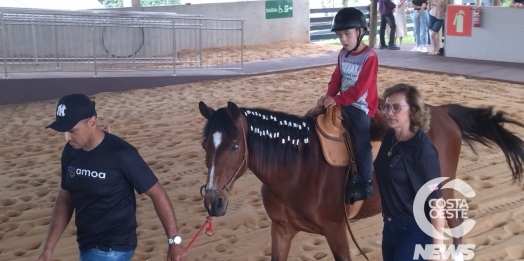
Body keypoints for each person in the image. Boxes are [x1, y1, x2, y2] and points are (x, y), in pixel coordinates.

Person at [36, 93, 188, 261]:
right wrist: (48, 248)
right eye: (63, 131)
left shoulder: (122, 154)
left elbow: (157, 193)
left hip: (114, 248)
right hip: (86, 245)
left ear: (92, 122)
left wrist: (174, 242)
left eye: (72, 130)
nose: (66, 137)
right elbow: (65, 198)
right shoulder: (70, 151)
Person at [374, 84, 445, 261]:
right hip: (390, 227)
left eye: (396, 107)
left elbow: (436, 202)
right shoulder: (391, 136)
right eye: (387, 107)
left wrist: (438, 248)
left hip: (415, 231)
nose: (389, 113)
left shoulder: (422, 151)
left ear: (413, 111)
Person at [318, 7, 379, 205]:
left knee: (361, 139)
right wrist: (329, 95)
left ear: (360, 32)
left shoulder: (369, 57)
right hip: (342, 102)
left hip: (361, 106)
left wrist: (337, 100)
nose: (343, 39)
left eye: (347, 34)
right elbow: (337, 78)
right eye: (340, 35)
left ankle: (366, 182)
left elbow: (361, 88)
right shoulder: (342, 54)